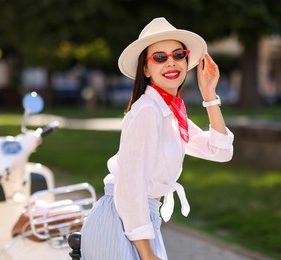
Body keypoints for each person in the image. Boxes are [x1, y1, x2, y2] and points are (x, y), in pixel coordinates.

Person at [81, 17, 234, 260]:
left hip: (143, 221)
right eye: (160, 57)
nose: (171, 63)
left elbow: (220, 151)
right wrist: (146, 253)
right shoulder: (148, 110)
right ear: (145, 68)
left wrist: (210, 95)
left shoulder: (169, 110)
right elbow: (131, 186)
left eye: (178, 54)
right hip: (121, 221)